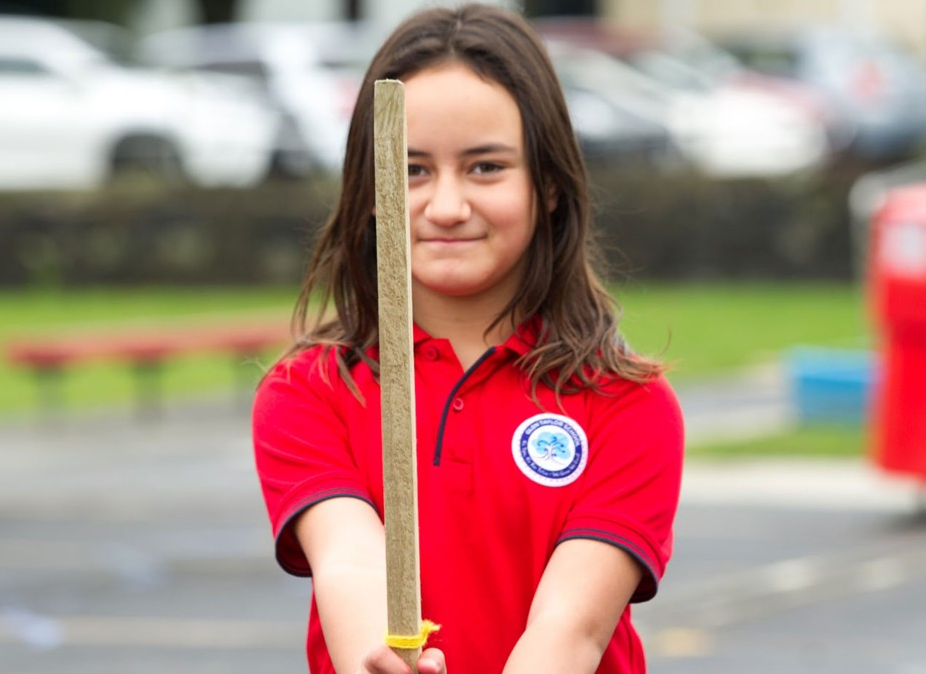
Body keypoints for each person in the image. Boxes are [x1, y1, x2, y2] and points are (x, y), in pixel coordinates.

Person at [252, 4, 684, 673]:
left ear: (547, 185)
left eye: (485, 168)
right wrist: (382, 658)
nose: (447, 207)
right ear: (370, 190)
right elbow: (350, 564)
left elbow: (571, 631)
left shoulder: (627, 405)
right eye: (413, 170)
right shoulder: (308, 393)